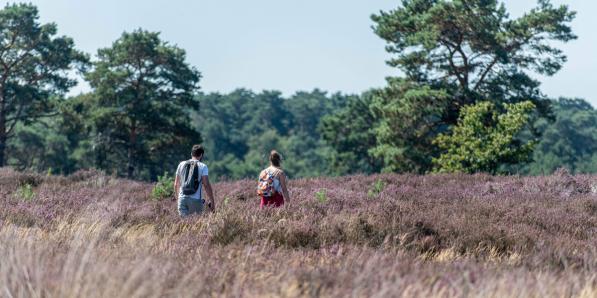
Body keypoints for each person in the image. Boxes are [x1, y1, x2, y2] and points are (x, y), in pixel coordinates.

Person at [174, 145, 215, 216]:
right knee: (197, 224)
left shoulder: (181, 164)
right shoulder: (203, 166)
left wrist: (178, 199)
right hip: (195, 199)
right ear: (201, 155)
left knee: (184, 225)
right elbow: (206, 185)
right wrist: (212, 201)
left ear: (191, 153)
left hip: (182, 199)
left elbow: (176, 184)